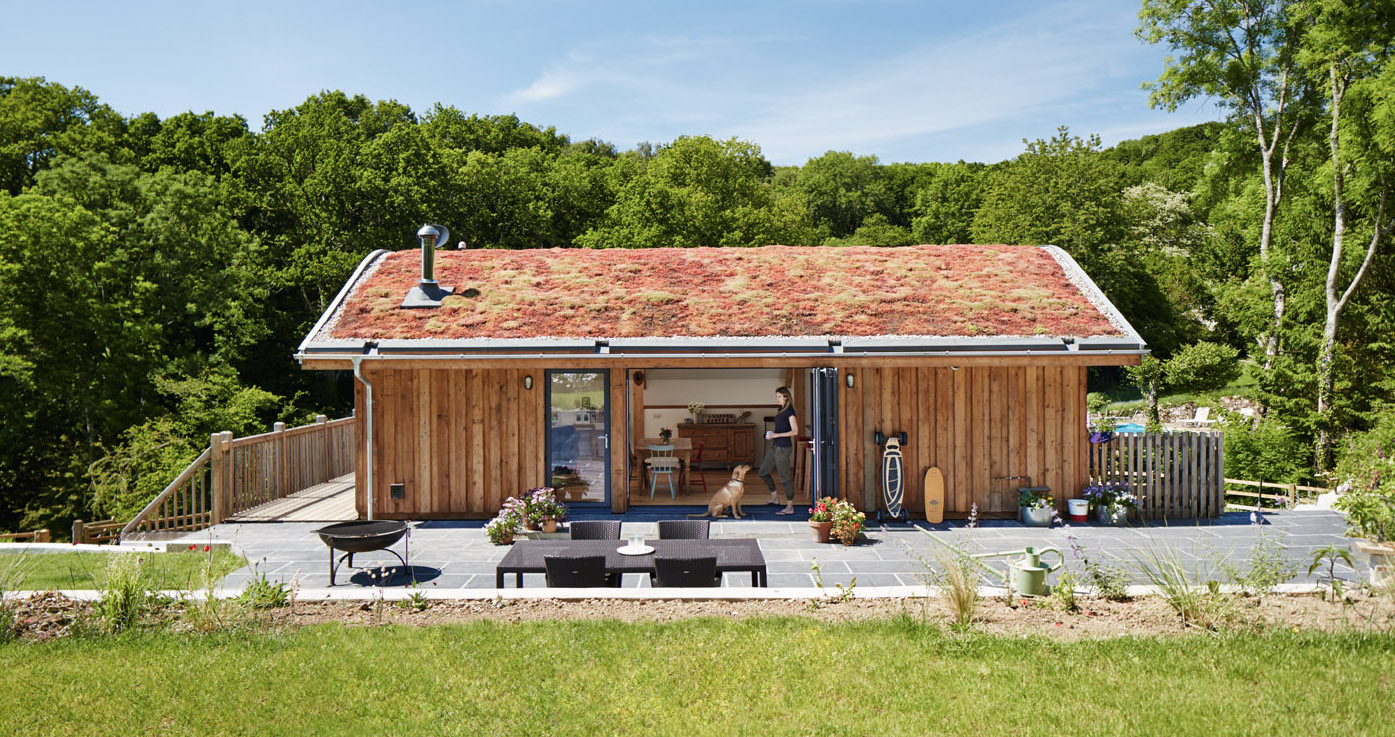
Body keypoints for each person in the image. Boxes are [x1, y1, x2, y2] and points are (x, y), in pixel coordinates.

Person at [761, 386, 798, 515]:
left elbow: (795, 431)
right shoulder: (781, 409)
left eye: (779, 397)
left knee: (784, 477)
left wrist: (777, 435)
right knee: (763, 471)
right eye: (776, 396)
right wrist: (772, 434)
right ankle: (775, 498)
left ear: (786, 397)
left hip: (783, 448)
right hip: (775, 446)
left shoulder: (790, 411)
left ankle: (790, 507)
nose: (777, 399)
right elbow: (782, 428)